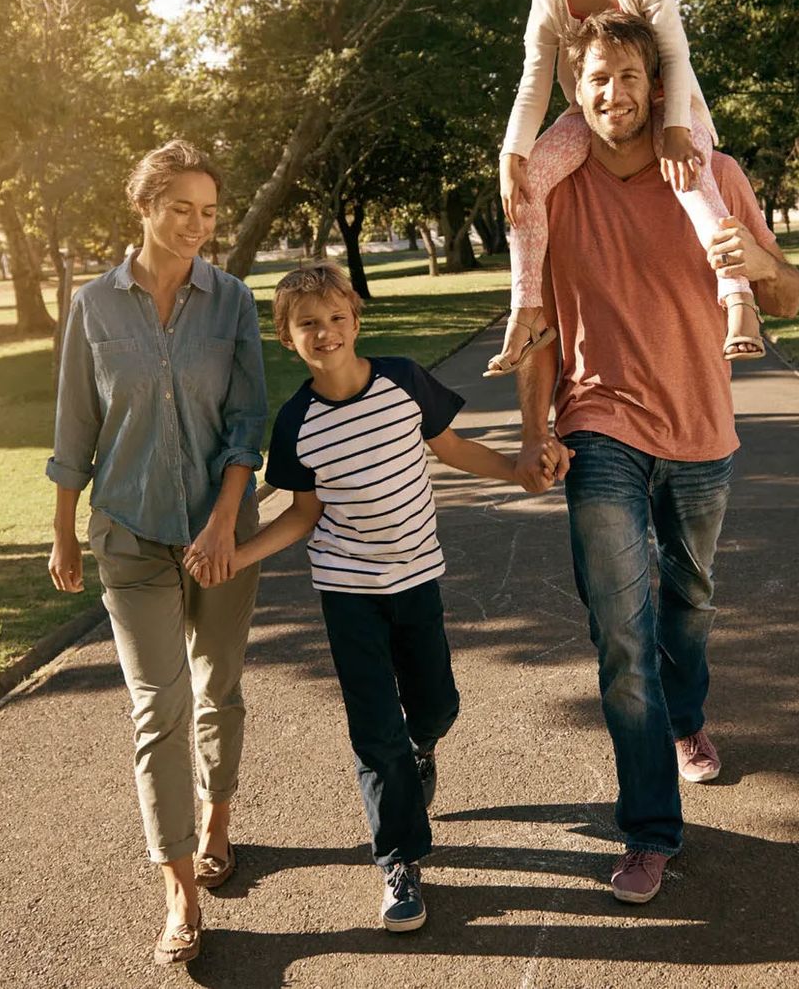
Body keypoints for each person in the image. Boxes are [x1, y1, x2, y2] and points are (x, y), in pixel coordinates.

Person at [510, 11, 799, 905]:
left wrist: (752, 253)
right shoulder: (555, 186)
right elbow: (540, 325)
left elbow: (786, 294)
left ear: (656, 82)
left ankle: (686, 719)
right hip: (600, 420)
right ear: (574, 87)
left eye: (628, 76)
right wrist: (536, 429)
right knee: (621, 633)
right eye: (596, 78)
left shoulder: (715, 173)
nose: (612, 94)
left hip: (702, 428)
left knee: (691, 598)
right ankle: (651, 829)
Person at [233, 263, 561, 932]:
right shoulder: (295, 422)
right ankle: (399, 860)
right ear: (285, 336)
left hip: (416, 579)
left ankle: (422, 745)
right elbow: (302, 515)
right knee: (373, 728)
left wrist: (516, 467)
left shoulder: (404, 380)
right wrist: (237, 557)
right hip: (348, 592)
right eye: (307, 324)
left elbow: (452, 448)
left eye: (333, 318)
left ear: (354, 318)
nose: (324, 332)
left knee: (436, 703)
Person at [46, 139, 268, 966]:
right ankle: (178, 885)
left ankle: (217, 820)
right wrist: (64, 526)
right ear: (144, 206)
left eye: (209, 214)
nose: (197, 227)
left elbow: (249, 420)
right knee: (158, 704)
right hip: (130, 532)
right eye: (182, 209)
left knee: (218, 685)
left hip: (222, 529)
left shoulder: (232, 301)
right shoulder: (94, 307)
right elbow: (76, 423)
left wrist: (223, 521)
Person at [485, 0, 762, 378]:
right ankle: (526, 311)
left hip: (666, 103)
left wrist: (677, 129)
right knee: (528, 183)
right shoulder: (547, 2)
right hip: (593, 115)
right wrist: (511, 154)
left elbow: (675, 53)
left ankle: (738, 296)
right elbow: (533, 83)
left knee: (691, 173)